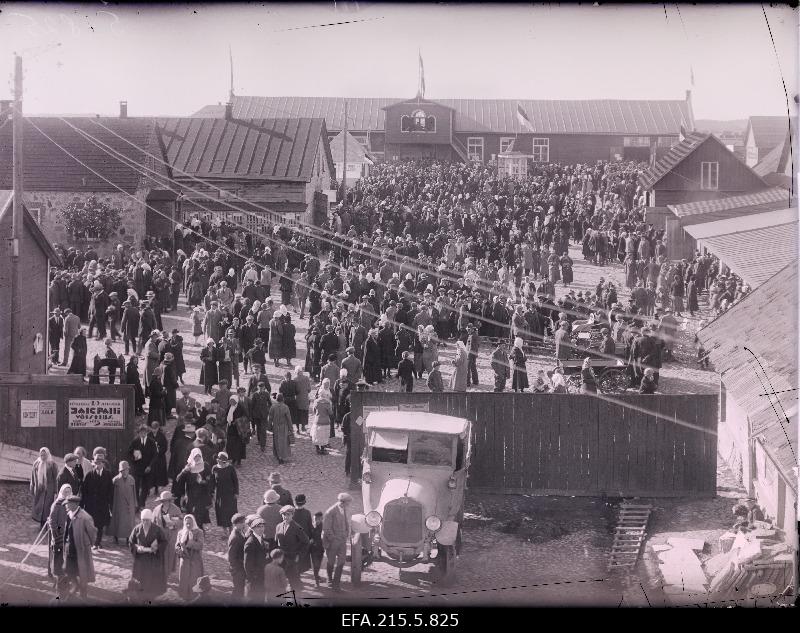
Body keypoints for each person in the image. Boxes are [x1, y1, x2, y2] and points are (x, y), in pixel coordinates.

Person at [129, 508, 168, 600]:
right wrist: (137, 548)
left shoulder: (157, 529)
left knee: (151, 583)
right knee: (140, 580)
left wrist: (156, 547)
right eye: (143, 520)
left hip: (153, 560)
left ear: (151, 520)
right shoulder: (137, 529)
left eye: (147, 520)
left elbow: (164, 542)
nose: (145, 522)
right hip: (140, 560)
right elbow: (131, 542)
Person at [63, 495, 97, 599]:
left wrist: (88, 544)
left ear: (76, 504)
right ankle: (75, 586)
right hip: (70, 549)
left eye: (69, 504)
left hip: (81, 550)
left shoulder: (85, 517)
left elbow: (93, 533)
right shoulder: (69, 514)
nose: (66, 506)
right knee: (69, 570)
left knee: (83, 573)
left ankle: (84, 595)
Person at [174, 448, 214, 529]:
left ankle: (200, 531)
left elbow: (210, 481)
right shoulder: (189, 466)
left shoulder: (205, 466)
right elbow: (178, 480)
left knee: (200, 514)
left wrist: (202, 482)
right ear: (192, 456)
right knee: (191, 513)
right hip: (191, 494)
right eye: (195, 456)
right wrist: (184, 471)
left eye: (199, 456)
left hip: (202, 494)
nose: (197, 458)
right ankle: (191, 530)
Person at [80, 455, 113, 549]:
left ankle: (98, 542)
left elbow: (110, 490)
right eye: (96, 463)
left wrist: (110, 504)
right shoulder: (89, 475)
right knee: (91, 523)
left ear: (103, 464)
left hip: (103, 504)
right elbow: (84, 491)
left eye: (100, 463)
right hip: (91, 504)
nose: (97, 465)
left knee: (100, 524)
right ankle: (92, 541)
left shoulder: (108, 474)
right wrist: (83, 504)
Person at [274, 505, 310, 592]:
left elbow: (306, 542)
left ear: (292, 515)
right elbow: (276, 542)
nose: (286, 517)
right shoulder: (278, 526)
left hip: (292, 558)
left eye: (288, 514)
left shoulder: (297, 527)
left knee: (294, 582)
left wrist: (299, 555)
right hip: (281, 558)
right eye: (284, 514)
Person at [322, 492, 352, 591]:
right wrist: (333, 539)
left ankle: (336, 583)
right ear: (343, 502)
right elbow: (326, 528)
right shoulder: (330, 512)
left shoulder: (343, 509)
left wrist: (347, 532)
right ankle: (329, 579)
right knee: (331, 561)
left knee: (342, 561)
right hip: (333, 542)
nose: (349, 504)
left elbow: (345, 522)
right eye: (348, 502)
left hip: (342, 541)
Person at [152, 490, 182, 579]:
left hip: (171, 535)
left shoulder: (176, 509)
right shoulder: (157, 509)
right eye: (163, 500)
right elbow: (153, 522)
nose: (165, 502)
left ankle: (167, 572)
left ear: (170, 500)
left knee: (169, 554)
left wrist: (174, 523)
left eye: (167, 500)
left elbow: (181, 521)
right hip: (160, 535)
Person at [175, 514, 205, 601]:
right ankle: (184, 597)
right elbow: (177, 546)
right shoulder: (181, 533)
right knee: (184, 580)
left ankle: (194, 598)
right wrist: (179, 551)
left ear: (193, 523)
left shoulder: (199, 532)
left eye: (190, 523)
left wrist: (191, 543)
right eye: (187, 523)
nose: (188, 525)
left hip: (195, 561)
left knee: (193, 580)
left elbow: (200, 545)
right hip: (184, 561)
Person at [128, 425, 157, 511]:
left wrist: (150, 466)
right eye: (141, 432)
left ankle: (142, 504)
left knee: (145, 487)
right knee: (136, 487)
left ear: (147, 432)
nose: (143, 433)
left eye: (144, 432)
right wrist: (134, 458)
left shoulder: (151, 442)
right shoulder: (135, 441)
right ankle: (136, 505)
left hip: (147, 469)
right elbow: (129, 453)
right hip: (137, 469)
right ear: (139, 433)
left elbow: (155, 455)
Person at [47, 484, 73, 583]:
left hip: (68, 535)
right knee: (57, 555)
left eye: (69, 492)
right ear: (62, 492)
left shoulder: (71, 504)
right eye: (65, 492)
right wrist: (57, 531)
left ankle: (65, 573)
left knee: (66, 555)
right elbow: (52, 521)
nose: (67, 494)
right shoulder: (57, 504)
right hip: (59, 534)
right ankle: (57, 574)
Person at [109, 461, 137, 545]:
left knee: (129, 522)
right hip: (118, 504)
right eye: (123, 470)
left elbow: (134, 492)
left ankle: (129, 538)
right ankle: (116, 537)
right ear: (120, 471)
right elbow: (111, 494)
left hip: (129, 504)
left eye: (126, 470)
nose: (125, 472)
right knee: (117, 520)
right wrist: (111, 505)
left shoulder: (132, 479)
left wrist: (135, 503)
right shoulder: (115, 480)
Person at [212, 452, 239, 535]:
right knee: (221, 512)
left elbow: (235, 481)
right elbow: (212, 482)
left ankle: (231, 529)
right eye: (220, 460)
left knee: (231, 511)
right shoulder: (215, 468)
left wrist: (236, 492)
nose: (221, 462)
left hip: (230, 494)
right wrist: (212, 492)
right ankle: (224, 531)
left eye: (223, 461)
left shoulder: (230, 468)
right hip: (220, 494)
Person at [31, 447, 59, 527]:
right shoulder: (36, 463)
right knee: (39, 507)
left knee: (47, 508)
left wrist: (56, 491)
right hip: (40, 489)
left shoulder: (52, 464)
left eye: (44, 455)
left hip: (49, 490)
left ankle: (47, 525)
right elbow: (33, 477)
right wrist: (32, 488)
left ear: (48, 454)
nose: (43, 457)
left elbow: (56, 479)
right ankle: (41, 524)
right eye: (41, 455)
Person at [244, 516, 268, 603]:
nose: (261, 529)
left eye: (262, 527)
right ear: (253, 528)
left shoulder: (261, 538)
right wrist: (254, 578)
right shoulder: (250, 543)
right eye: (258, 527)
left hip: (261, 577)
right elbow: (247, 565)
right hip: (255, 580)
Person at [227, 513, 248, 602]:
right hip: (238, 568)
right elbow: (231, 556)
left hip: (240, 567)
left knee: (239, 589)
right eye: (241, 522)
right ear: (235, 524)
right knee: (238, 590)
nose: (244, 524)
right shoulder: (235, 537)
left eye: (244, 522)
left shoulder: (239, 531)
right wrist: (235, 568)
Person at [268, 393, 293, 464]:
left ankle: (278, 456)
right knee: (283, 442)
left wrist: (269, 427)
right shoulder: (285, 407)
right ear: (283, 399)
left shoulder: (273, 407)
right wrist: (291, 429)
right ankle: (282, 456)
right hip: (284, 427)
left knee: (277, 441)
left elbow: (270, 418)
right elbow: (289, 419)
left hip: (275, 426)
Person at [310, 385, 333, 455]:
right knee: (324, 436)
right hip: (325, 421)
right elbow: (330, 413)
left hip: (317, 420)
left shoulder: (316, 401)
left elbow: (314, 411)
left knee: (316, 435)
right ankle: (323, 449)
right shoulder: (327, 402)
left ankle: (317, 449)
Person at [148, 420, 169, 496]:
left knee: (158, 473)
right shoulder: (149, 435)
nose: (154, 430)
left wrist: (159, 451)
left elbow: (165, 447)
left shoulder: (161, 436)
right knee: (150, 473)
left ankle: (156, 487)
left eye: (155, 428)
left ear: (158, 428)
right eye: (153, 428)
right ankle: (148, 488)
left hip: (159, 458)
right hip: (151, 458)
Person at [309, 511, 325, 587]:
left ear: (322, 519)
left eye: (318, 519)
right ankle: (316, 582)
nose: (316, 521)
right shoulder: (311, 526)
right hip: (313, 549)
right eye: (315, 519)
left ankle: (317, 577)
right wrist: (310, 539)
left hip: (321, 549)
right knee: (315, 565)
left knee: (318, 565)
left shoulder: (324, 527)